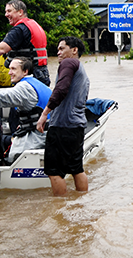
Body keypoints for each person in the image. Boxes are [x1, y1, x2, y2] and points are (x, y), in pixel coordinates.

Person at [36, 37, 91, 197]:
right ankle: (81, 202)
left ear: (74, 50)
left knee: (54, 172)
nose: (58, 52)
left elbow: (60, 89)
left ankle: (59, 212)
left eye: (62, 48)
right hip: (77, 126)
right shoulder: (81, 69)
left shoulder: (68, 63)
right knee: (76, 169)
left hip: (63, 126)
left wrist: (45, 113)